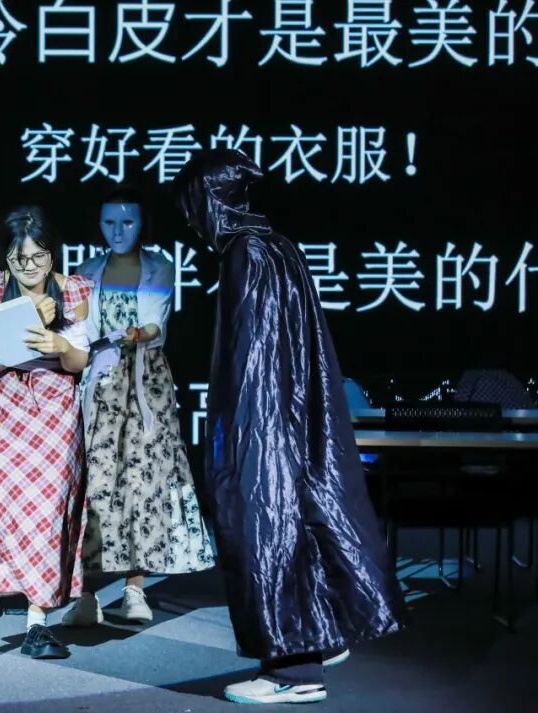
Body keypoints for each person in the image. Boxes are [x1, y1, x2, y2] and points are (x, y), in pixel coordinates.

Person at [173, 150, 405, 705]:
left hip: (267, 422)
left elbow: (253, 357)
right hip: (290, 419)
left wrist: (246, 438)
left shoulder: (247, 254)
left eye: (192, 207)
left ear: (211, 201)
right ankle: (316, 641)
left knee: (268, 531)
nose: (190, 221)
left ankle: (293, 671)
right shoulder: (275, 245)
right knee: (296, 526)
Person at [64, 187, 214, 628]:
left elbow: (154, 324)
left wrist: (136, 334)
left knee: (143, 482)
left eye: (127, 222)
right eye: (109, 222)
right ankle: (87, 594)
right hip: (101, 383)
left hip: (145, 383)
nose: (118, 231)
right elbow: (81, 330)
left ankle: (134, 589)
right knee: (94, 486)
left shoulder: (159, 267)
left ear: (142, 224)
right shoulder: (86, 271)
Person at [0, 206, 91, 660]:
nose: (29, 266)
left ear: (52, 253)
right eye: (19, 258)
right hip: (4, 406)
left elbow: (79, 362)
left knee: (45, 516)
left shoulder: (74, 289)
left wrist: (61, 344)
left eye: (38, 256)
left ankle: (37, 623)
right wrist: (28, 316)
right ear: (5, 257)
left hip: (54, 409)